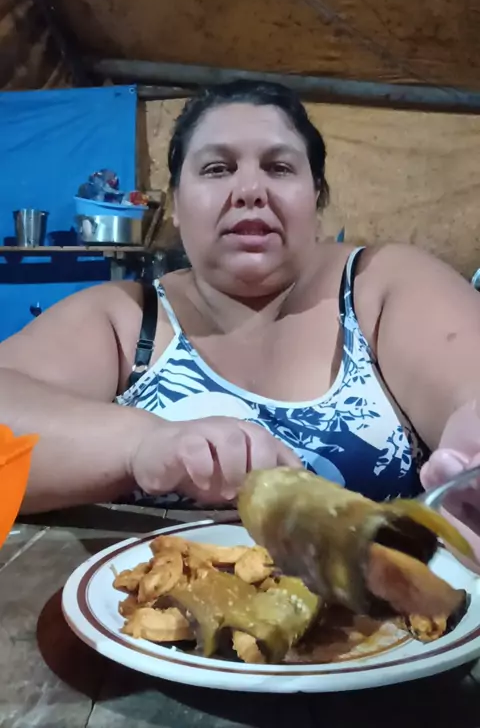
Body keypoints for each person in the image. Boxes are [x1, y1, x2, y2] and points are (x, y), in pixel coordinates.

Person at [1, 80, 480, 526]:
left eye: (279, 168)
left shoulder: (381, 285)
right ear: (176, 201)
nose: (250, 191)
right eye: (217, 168)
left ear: (316, 196)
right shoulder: (126, 319)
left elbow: (469, 393)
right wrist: (142, 444)